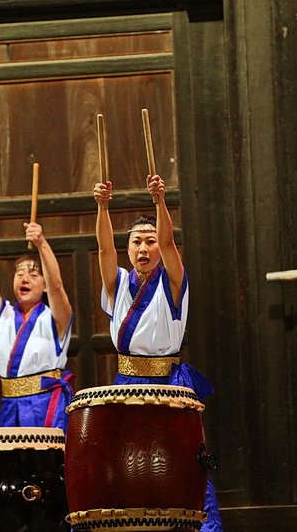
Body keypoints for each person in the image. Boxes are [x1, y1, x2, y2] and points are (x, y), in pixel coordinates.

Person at [93, 174, 222, 532]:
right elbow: (104, 250)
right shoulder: (117, 282)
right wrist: (102, 206)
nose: (144, 248)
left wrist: (160, 201)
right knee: (125, 464)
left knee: (181, 463)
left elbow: (168, 242)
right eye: (136, 242)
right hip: (126, 382)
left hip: (168, 382)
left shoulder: (173, 280)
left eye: (149, 241)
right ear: (129, 248)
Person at [0, 202, 74, 431]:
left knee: (47, 466)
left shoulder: (56, 318)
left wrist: (41, 244)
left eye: (33, 275)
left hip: (47, 405)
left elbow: (57, 285)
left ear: (44, 285)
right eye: (19, 274)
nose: (24, 279)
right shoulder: (1, 317)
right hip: (10, 406)